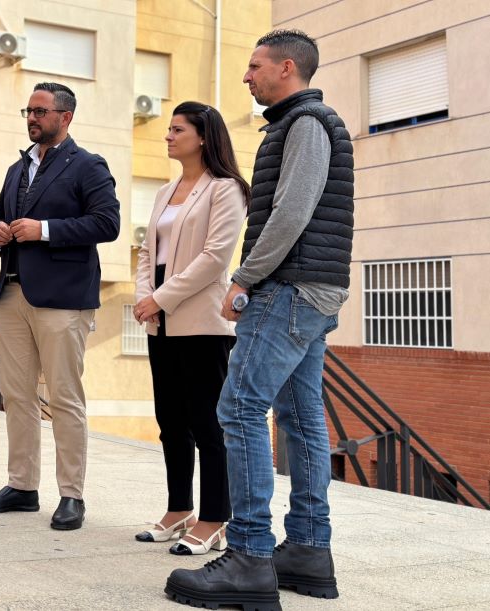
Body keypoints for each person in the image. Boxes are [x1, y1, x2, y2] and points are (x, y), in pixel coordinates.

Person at [165, 29, 353, 609]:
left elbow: (293, 210)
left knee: (239, 408)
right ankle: (307, 551)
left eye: (255, 67)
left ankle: (249, 554)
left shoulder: (305, 124)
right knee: (299, 417)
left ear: (286, 68)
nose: (247, 76)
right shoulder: (300, 124)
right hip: (311, 290)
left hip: (290, 289)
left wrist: (245, 278)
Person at [0, 82, 120, 531]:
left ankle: (72, 494)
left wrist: (45, 230)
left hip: (63, 298)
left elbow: (107, 222)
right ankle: (22, 486)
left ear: (65, 117)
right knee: (16, 394)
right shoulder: (18, 168)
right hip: (13, 292)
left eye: (40, 111)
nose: (32, 118)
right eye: (28, 111)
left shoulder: (88, 165)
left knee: (63, 397)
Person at [133, 102, 248, 555]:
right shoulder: (165, 190)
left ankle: (216, 518)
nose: (168, 136)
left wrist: (159, 297)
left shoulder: (226, 190)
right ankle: (179, 509)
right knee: (170, 421)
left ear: (202, 136)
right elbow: (147, 251)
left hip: (201, 320)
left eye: (177, 129)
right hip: (160, 320)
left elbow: (215, 258)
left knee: (207, 423)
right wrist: (148, 298)